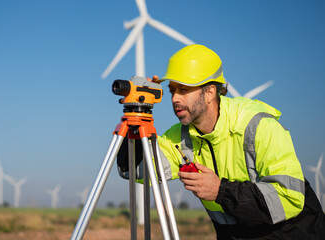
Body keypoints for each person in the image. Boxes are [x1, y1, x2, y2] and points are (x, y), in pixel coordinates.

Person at [117, 44, 324, 239]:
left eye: (183, 89)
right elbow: (136, 170)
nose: (174, 99)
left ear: (210, 92)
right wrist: (137, 116)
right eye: (172, 90)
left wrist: (221, 191)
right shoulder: (179, 137)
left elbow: (290, 197)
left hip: (290, 233)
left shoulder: (258, 126)